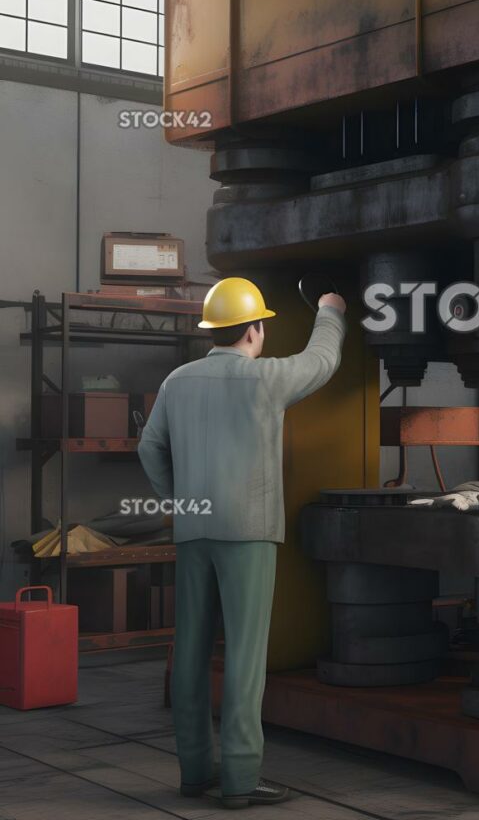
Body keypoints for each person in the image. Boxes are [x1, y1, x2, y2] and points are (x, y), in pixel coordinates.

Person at [139, 276, 346, 809]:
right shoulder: (264, 380)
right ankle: (238, 778)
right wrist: (330, 310)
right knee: (245, 659)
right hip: (248, 532)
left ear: (213, 330)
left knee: (190, 651)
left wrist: (182, 499)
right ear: (254, 330)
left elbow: (149, 447)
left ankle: (193, 771)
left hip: (194, 529)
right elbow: (321, 361)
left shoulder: (176, 381)